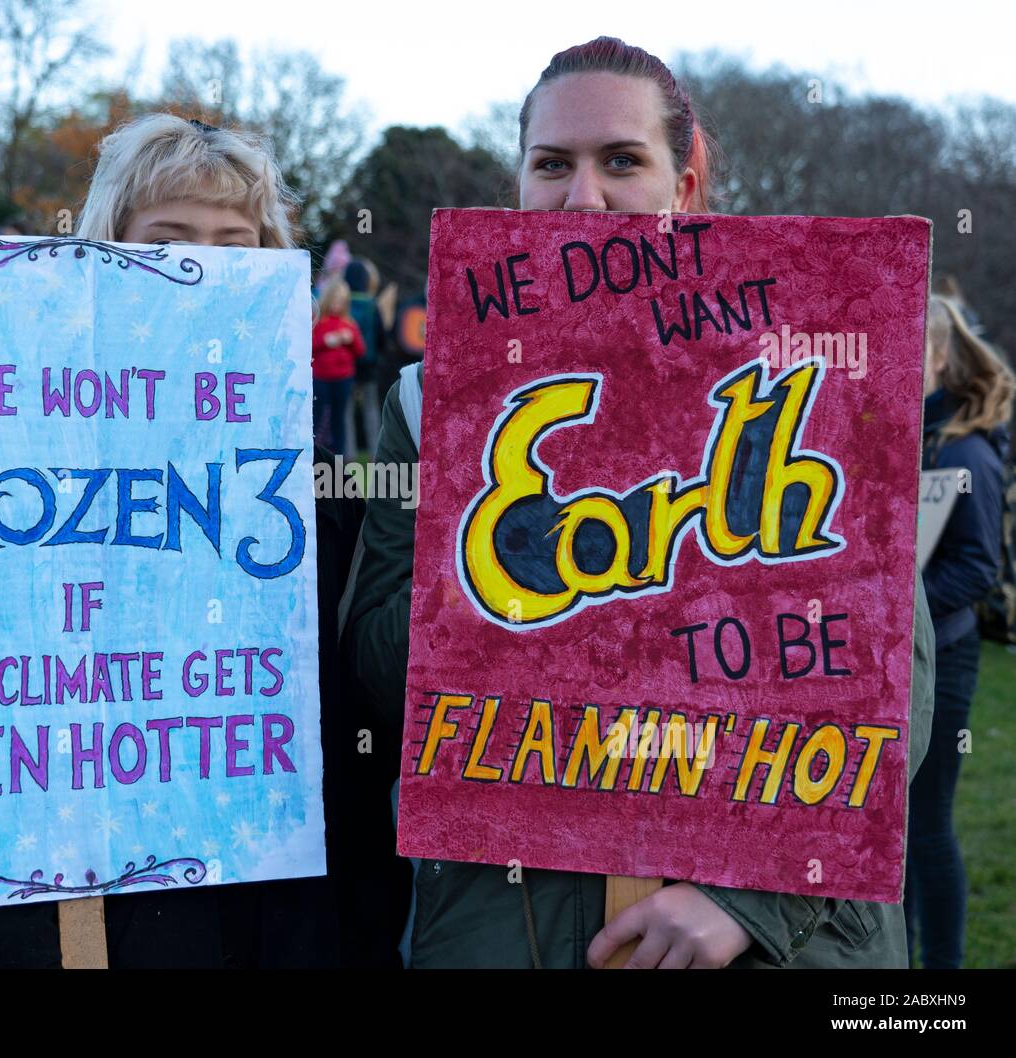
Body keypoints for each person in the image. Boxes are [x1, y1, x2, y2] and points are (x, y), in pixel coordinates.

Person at [344, 36, 938, 969]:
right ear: (518, 188)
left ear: (684, 187)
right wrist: (499, 564)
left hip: (767, 942)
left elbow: (893, 682)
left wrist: (750, 900)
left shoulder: (814, 368)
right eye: (553, 165)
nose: (584, 198)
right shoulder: (427, 400)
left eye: (622, 161)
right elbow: (374, 669)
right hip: (509, 926)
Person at [0, 113, 401, 968]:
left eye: (237, 241)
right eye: (168, 238)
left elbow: (352, 700)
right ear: (102, 252)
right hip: (87, 887)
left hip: (282, 892)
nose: (204, 265)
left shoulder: (317, 474)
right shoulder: (20, 455)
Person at [906, 294, 1014, 968]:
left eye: (910, 344)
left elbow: (978, 569)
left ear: (940, 356)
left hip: (942, 660)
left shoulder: (965, 452)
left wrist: (899, 612)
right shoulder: (899, 430)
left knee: (928, 828)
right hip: (901, 660)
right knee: (896, 833)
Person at [311, 277, 365, 456]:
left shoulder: (349, 324)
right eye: (334, 301)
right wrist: (325, 341)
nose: (337, 306)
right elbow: (308, 346)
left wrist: (350, 339)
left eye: (341, 302)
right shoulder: (319, 322)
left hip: (343, 378)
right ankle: (314, 454)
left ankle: (338, 458)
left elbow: (360, 351)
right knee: (317, 417)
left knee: (338, 419)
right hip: (320, 377)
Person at [344, 258, 384, 457]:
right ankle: (375, 452)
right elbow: (380, 333)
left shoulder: (343, 302)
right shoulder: (371, 304)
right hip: (368, 365)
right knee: (371, 409)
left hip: (346, 363)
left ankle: (348, 453)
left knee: (347, 411)